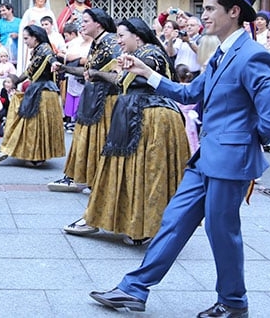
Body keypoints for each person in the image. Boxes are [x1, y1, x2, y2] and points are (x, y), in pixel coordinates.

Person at [90, 0, 270, 317]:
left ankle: (233, 302)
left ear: (234, 12)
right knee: (174, 219)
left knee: (221, 231)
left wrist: (239, 143)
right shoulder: (223, 53)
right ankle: (133, 290)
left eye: (210, 8)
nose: (202, 15)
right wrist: (147, 72)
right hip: (205, 159)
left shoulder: (252, 54)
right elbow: (190, 93)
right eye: (204, 8)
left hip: (230, 161)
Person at [63, 18, 190, 245]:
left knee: (144, 173)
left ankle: (140, 227)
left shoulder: (150, 53)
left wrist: (124, 65)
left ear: (137, 36)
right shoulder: (137, 55)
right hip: (135, 117)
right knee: (128, 170)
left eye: (122, 36)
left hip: (151, 120)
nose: (118, 40)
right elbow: (121, 78)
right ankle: (127, 224)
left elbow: (149, 68)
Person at [47, 8, 119, 192]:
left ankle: (98, 181)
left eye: (86, 21)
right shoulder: (96, 43)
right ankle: (83, 177)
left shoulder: (112, 43)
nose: (82, 24)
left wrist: (96, 74)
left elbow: (117, 76)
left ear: (99, 24)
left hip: (105, 101)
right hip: (92, 97)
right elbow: (88, 72)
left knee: (99, 140)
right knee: (85, 138)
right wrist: (66, 69)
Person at [0, 25, 64, 167]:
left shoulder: (45, 49)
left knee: (29, 124)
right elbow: (29, 71)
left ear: (35, 37)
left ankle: (13, 150)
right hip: (42, 91)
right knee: (33, 125)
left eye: (27, 38)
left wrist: (55, 63)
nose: (25, 41)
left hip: (42, 92)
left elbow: (51, 59)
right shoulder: (39, 49)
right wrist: (16, 81)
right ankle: (33, 155)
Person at [17, 0, 57, 74]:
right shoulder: (29, 12)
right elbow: (22, 28)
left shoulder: (49, 12)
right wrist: (28, 25)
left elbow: (54, 28)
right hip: (33, 41)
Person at [61, 22, 91, 132]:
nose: (83, 33)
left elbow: (87, 60)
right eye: (81, 31)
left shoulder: (92, 44)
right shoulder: (76, 43)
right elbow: (67, 56)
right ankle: (70, 120)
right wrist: (78, 58)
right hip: (72, 73)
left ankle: (77, 119)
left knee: (80, 96)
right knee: (70, 96)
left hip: (83, 74)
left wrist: (77, 60)